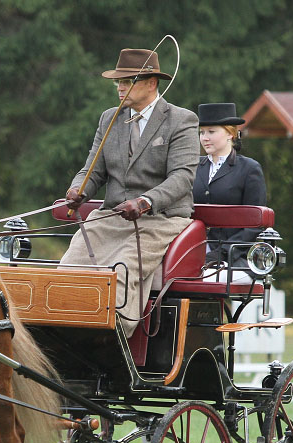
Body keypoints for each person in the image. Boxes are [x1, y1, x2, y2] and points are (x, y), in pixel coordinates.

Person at [61, 48, 198, 335]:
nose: (120, 87)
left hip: (160, 220)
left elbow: (182, 178)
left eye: (127, 81)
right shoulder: (109, 118)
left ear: (151, 83)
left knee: (120, 272)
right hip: (110, 218)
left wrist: (146, 201)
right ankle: (65, 335)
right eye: (117, 82)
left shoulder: (181, 120)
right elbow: (93, 169)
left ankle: (114, 336)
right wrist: (78, 189)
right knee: (68, 270)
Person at [192, 103, 266, 280]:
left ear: (230, 134)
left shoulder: (249, 169)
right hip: (194, 252)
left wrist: (221, 253)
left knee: (206, 278)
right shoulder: (194, 167)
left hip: (236, 257)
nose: (204, 138)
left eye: (211, 132)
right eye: (202, 133)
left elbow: (255, 224)